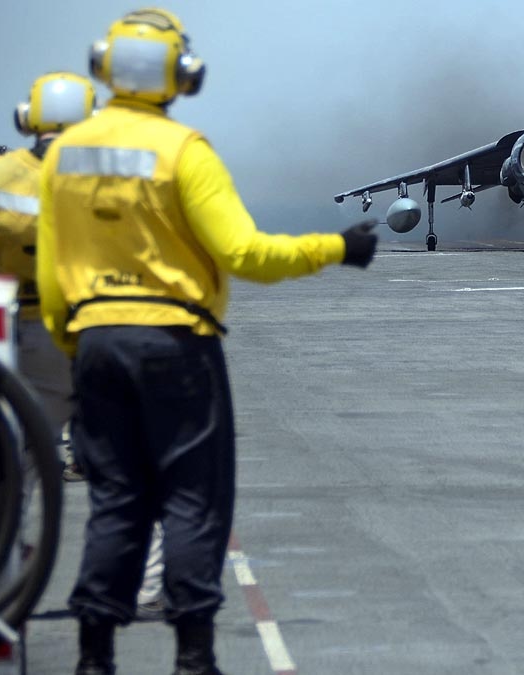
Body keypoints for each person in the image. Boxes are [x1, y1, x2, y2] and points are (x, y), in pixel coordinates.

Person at [36, 8, 379, 675]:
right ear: (182, 73)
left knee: (114, 500)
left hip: (96, 342)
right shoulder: (182, 150)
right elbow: (245, 252)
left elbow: (51, 280)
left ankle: (93, 656)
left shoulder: (64, 155)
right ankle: (194, 657)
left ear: (102, 65)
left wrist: (75, 347)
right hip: (176, 345)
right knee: (192, 499)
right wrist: (338, 246)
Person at [0, 72, 92, 478]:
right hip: (91, 318)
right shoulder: (106, 174)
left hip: (19, 318)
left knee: (21, 447)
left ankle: (11, 534)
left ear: (27, 118)